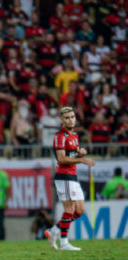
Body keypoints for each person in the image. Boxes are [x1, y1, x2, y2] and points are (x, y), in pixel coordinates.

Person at [44, 107, 95, 251]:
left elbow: (73, 153)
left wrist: (81, 152)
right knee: (70, 208)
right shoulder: (59, 136)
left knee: (80, 210)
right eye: (67, 118)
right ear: (62, 120)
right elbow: (61, 159)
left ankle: (54, 231)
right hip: (64, 176)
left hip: (73, 176)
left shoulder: (74, 135)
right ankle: (64, 242)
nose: (71, 119)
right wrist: (82, 160)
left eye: (72, 117)